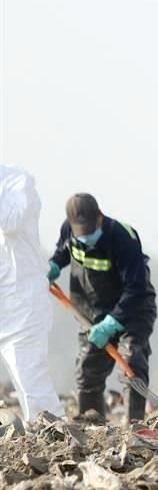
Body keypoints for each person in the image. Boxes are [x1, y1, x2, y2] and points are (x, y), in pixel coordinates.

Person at [48, 193, 157, 421]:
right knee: (88, 369)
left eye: (89, 230)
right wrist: (54, 265)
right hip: (91, 314)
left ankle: (134, 427)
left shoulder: (123, 238)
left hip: (132, 312)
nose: (85, 237)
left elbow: (136, 288)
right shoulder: (69, 229)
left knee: (132, 361)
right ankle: (92, 423)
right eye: (80, 233)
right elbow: (63, 252)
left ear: (99, 217)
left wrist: (113, 322)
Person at [0, 165, 65, 422]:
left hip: (22, 303)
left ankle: (55, 438)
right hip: (5, 301)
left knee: (31, 382)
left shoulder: (18, 183)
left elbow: (10, 221)